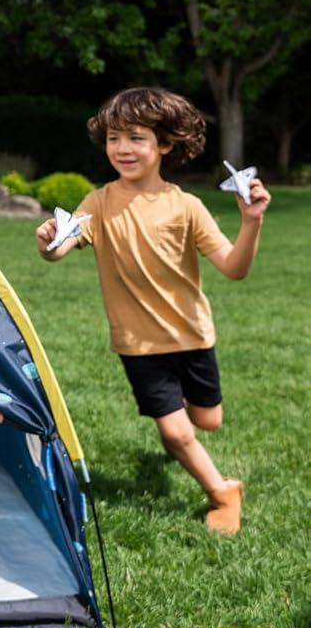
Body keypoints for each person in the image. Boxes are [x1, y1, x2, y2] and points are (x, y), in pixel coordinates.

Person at [36, 86, 270, 534]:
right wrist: (48, 242)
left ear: (165, 144)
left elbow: (233, 268)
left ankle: (181, 423)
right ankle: (223, 492)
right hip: (138, 344)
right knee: (177, 434)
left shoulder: (188, 207)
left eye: (136, 138)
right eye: (113, 138)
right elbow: (60, 249)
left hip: (193, 335)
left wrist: (251, 221)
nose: (122, 148)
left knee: (208, 421)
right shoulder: (99, 203)